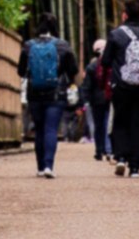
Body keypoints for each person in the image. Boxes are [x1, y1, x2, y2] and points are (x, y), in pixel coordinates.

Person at [100, 0, 139, 178]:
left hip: (122, 86)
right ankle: (135, 166)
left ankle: (120, 158)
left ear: (124, 15)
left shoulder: (116, 34)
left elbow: (105, 61)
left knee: (120, 122)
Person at [17, 11, 78, 180]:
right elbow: (73, 70)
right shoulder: (63, 45)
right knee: (51, 129)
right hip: (56, 94)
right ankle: (49, 166)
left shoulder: (28, 45)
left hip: (34, 93)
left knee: (39, 130)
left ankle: (39, 167)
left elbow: (21, 71)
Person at [82, 38, 113, 161]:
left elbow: (87, 86)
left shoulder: (91, 67)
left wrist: (86, 100)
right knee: (108, 123)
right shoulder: (112, 63)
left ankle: (99, 150)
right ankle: (108, 149)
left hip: (96, 100)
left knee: (98, 125)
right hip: (110, 97)